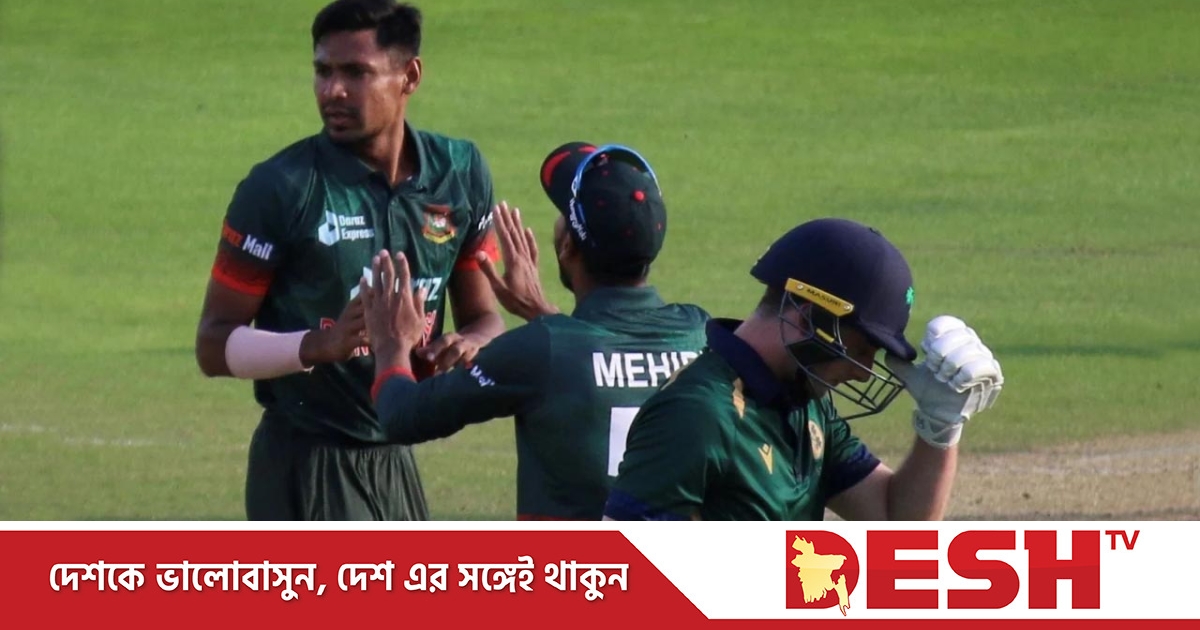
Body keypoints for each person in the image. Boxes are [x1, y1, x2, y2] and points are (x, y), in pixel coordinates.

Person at [194, 0, 505, 521]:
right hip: (306, 461)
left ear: (409, 76)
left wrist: (468, 345)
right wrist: (324, 345)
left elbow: (486, 319)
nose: (332, 90)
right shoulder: (281, 188)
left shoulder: (459, 174)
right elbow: (212, 345)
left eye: (356, 73)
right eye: (323, 71)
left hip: (397, 455)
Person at [358, 142, 710, 520]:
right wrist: (544, 315)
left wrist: (392, 343)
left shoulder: (541, 349)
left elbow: (404, 416)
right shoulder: (701, 335)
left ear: (567, 246)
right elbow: (601, 359)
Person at [603, 218, 1004, 520]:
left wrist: (940, 428)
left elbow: (894, 521)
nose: (865, 372)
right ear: (810, 318)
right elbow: (625, 575)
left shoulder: (806, 404)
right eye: (861, 348)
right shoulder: (699, 415)